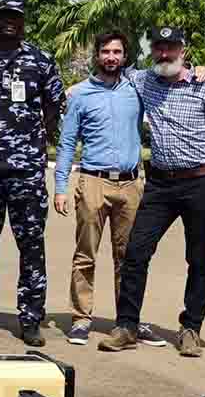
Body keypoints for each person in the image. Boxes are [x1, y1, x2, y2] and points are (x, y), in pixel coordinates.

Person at [101, 26, 205, 358]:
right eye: (159, 48)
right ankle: (126, 326)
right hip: (160, 185)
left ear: (184, 50)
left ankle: (191, 328)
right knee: (136, 253)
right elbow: (110, 64)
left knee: (198, 257)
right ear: (152, 50)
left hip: (200, 183)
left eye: (171, 48)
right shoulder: (144, 81)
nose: (164, 54)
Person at [0, 0, 64, 347]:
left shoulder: (40, 60)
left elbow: (55, 105)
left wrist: (38, 142)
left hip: (25, 171)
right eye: (4, 15)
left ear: (24, 21)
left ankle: (30, 317)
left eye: (16, 16)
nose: (10, 21)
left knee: (31, 245)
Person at [54, 31, 147, 347]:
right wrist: (60, 187)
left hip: (131, 183)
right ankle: (81, 318)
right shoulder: (80, 94)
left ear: (125, 56)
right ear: (97, 56)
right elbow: (67, 143)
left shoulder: (138, 89)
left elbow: (172, 72)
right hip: (93, 182)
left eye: (117, 52)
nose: (111, 57)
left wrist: (197, 70)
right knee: (86, 254)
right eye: (105, 52)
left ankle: (127, 320)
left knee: (129, 256)